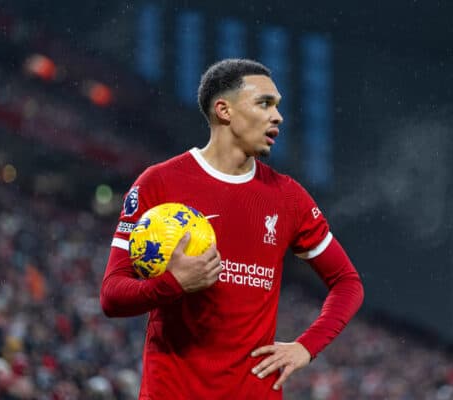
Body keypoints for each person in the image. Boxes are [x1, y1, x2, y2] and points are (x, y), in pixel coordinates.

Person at [100, 58, 364, 399]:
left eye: (278, 106)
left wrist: (306, 347)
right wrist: (172, 284)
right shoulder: (159, 183)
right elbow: (111, 295)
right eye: (264, 103)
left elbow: (347, 283)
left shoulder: (288, 197)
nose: (278, 116)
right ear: (224, 110)